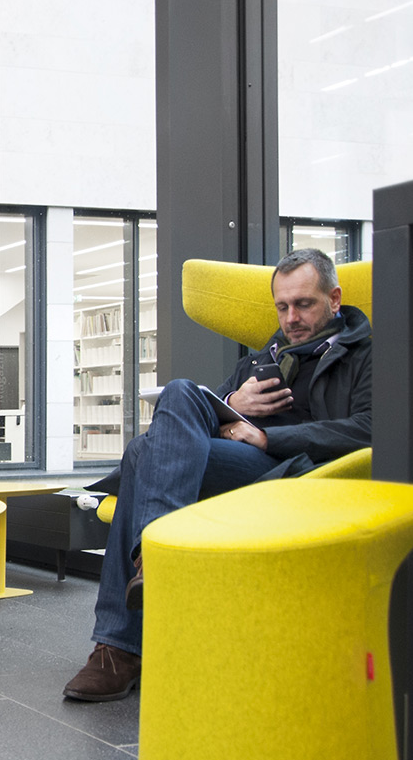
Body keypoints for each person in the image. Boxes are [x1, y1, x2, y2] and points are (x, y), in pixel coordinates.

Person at [63, 248, 372, 702]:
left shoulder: (366, 353)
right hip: (236, 462)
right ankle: (151, 567)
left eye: (304, 304)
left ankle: (118, 647)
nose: (291, 318)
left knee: (143, 454)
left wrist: (267, 438)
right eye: (282, 306)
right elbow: (205, 417)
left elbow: (369, 428)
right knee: (179, 396)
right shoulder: (260, 360)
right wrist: (233, 402)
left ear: (335, 298)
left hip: (295, 471)